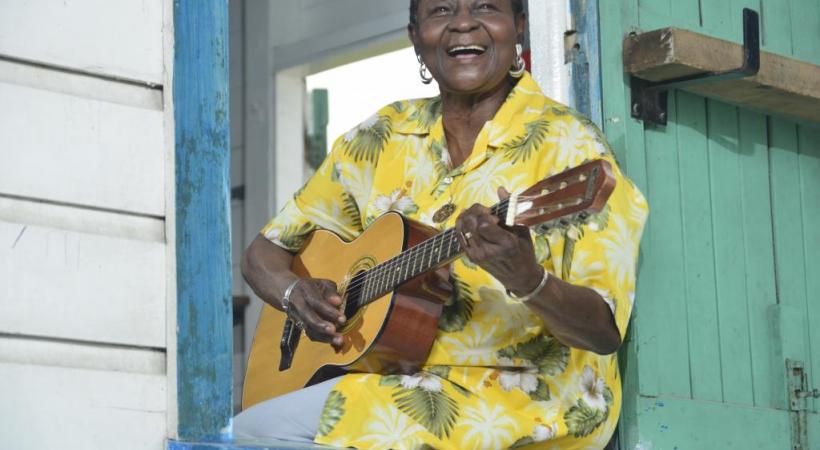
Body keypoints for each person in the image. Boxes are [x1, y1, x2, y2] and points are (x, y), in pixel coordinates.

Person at [235, 0, 648, 448]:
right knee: (244, 430)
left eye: (486, 7)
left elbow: (601, 332)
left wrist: (527, 279)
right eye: (441, 10)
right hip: (397, 387)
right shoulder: (385, 135)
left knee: (250, 435)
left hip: (525, 402)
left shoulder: (572, 148)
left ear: (519, 28)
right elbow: (265, 252)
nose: (463, 23)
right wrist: (295, 293)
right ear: (416, 36)